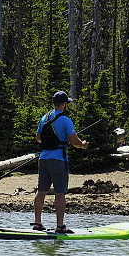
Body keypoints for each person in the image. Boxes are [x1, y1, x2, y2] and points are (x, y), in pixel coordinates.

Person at [32, 90, 88, 234]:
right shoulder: (66, 120)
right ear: (63, 104)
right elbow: (74, 141)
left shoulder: (44, 118)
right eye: (66, 103)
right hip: (58, 160)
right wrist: (83, 144)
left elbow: (39, 138)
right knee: (60, 193)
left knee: (41, 191)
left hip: (43, 159)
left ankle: (37, 223)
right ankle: (60, 226)